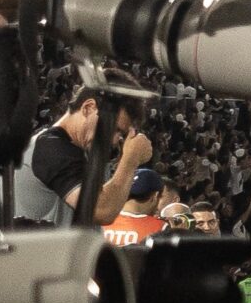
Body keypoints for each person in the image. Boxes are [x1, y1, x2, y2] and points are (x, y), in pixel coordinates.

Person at [13, 82, 154, 230]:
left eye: (121, 134)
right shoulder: (52, 148)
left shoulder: (81, 151)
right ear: (88, 108)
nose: (114, 140)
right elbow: (102, 211)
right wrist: (130, 160)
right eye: (114, 128)